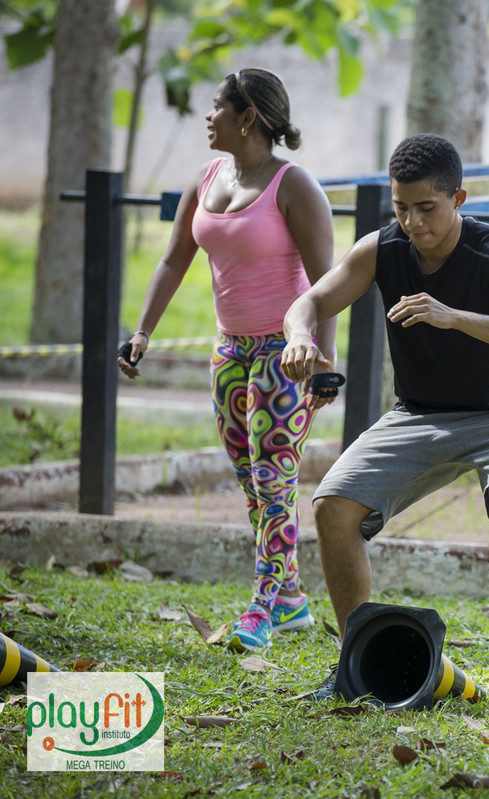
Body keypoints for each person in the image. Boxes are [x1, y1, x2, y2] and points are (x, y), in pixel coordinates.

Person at [280, 133, 489, 716]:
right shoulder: (381, 249)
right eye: (401, 207)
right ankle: (355, 664)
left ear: (458, 198)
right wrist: (300, 335)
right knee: (332, 508)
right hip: (418, 413)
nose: (412, 222)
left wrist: (454, 317)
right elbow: (308, 302)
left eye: (426, 208)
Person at [117, 68, 337, 653]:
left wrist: (324, 362)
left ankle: (261, 607)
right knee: (250, 480)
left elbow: (327, 284)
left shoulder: (294, 187)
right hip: (229, 351)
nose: (208, 116)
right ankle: (291, 600)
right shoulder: (207, 178)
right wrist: (142, 332)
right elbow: (173, 260)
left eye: (217, 106)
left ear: (248, 118)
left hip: (285, 354)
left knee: (273, 477)